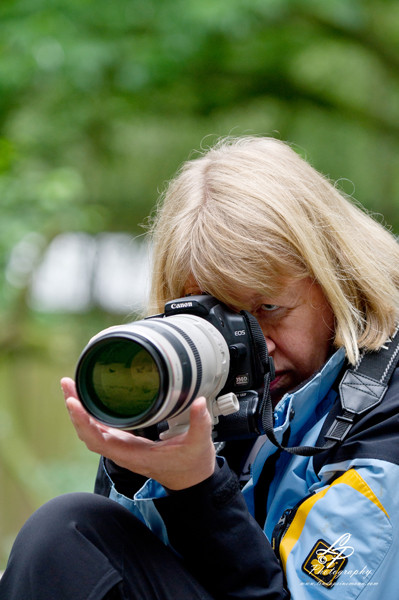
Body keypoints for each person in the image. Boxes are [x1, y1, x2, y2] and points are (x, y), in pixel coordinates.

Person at [2, 135, 399, 600]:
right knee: (69, 534)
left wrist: (198, 488)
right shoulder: (210, 389)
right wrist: (139, 463)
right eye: (220, 320)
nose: (253, 346)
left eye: (268, 307)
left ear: (337, 278)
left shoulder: (385, 412)